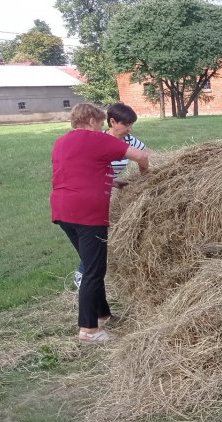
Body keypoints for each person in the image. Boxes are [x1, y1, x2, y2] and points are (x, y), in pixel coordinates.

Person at [51, 103, 149, 343]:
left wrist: (113, 183)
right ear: (93, 121)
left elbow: (81, 170)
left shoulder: (61, 142)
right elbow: (142, 156)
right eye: (100, 121)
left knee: (90, 262)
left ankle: (102, 314)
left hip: (62, 210)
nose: (101, 125)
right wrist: (147, 179)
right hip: (87, 214)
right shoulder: (98, 139)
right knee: (94, 271)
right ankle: (88, 330)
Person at [73, 103, 149, 289]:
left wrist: (147, 178)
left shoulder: (131, 141)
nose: (129, 129)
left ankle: (99, 272)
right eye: (126, 124)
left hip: (109, 190)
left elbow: (146, 155)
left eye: (132, 124)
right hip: (93, 193)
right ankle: (83, 274)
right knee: (96, 237)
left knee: (106, 235)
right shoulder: (97, 139)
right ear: (112, 122)